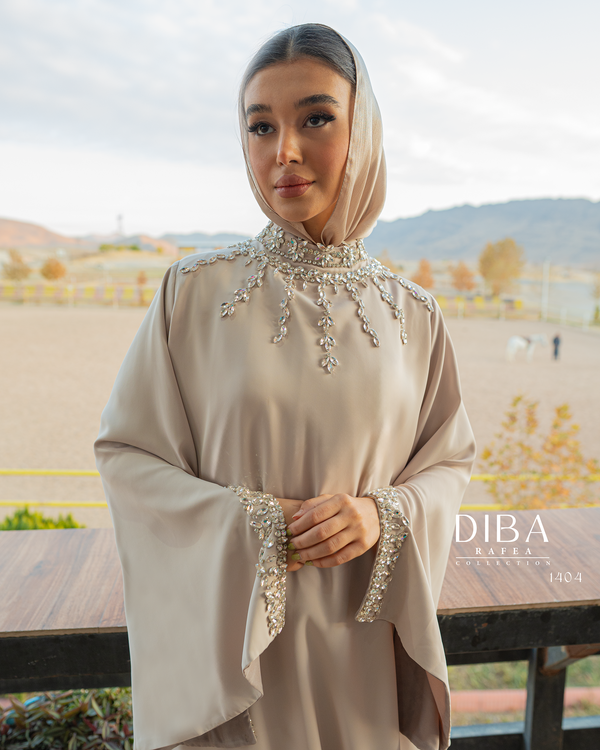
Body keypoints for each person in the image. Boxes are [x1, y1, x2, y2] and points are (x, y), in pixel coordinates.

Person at [94, 23, 476, 750]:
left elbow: (447, 462)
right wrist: (256, 526)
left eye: (316, 119)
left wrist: (382, 515)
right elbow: (129, 458)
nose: (285, 151)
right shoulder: (191, 293)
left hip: (360, 656)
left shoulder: (417, 316)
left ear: (365, 130)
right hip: (231, 665)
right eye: (261, 126)